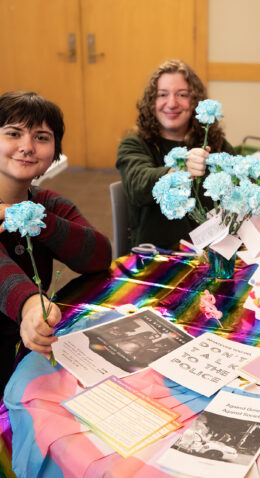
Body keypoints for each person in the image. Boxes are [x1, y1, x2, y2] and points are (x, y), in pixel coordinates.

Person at [0, 91, 112, 394]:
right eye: (13, 133)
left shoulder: (46, 202)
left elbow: (99, 256)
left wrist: (32, 218)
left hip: (33, 344)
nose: (27, 147)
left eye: (41, 137)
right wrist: (30, 304)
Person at [116, 59, 235, 249]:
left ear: (195, 101)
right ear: (151, 102)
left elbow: (239, 187)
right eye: (162, 95)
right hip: (159, 257)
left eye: (182, 95)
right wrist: (181, 169)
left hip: (212, 253)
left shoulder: (213, 143)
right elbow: (137, 186)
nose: (171, 103)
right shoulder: (135, 144)